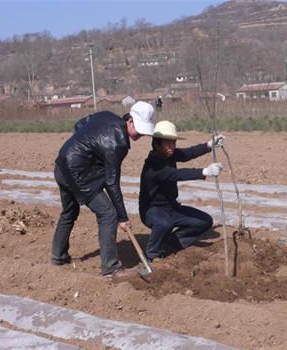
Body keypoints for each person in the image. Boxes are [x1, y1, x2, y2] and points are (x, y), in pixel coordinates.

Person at [51, 101, 155, 277]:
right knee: (108, 214)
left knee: (69, 211)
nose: (141, 135)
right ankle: (111, 268)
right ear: (130, 120)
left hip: (62, 164)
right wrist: (122, 217)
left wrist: (82, 149)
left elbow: (80, 124)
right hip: (77, 174)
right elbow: (111, 181)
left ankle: (58, 257)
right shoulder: (118, 143)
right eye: (139, 130)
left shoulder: (105, 116)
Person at [139, 121, 224, 261]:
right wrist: (205, 171)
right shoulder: (153, 166)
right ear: (156, 144)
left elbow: (187, 153)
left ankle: (171, 242)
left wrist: (209, 145)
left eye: (173, 143)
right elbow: (176, 174)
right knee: (164, 223)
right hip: (152, 210)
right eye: (168, 143)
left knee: (204, 221)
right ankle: (151, 255)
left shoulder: (168, 154)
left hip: (172, 207)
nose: (172, 147)